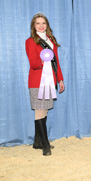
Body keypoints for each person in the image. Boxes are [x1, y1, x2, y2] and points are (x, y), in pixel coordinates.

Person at [25, 12, 65, 155]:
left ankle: (37, 142)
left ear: (47, 25)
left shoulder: (51, 41)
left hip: (50, 80)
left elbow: (57, 62)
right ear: (33, 26)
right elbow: (33, 63)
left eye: (43, 23)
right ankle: (45, 144)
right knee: (39, 110)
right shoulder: (30, 41)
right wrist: (43, 60)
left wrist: (60, 79)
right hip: (37, 81)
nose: (41, 26)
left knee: (45, 109)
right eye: (38, 23)